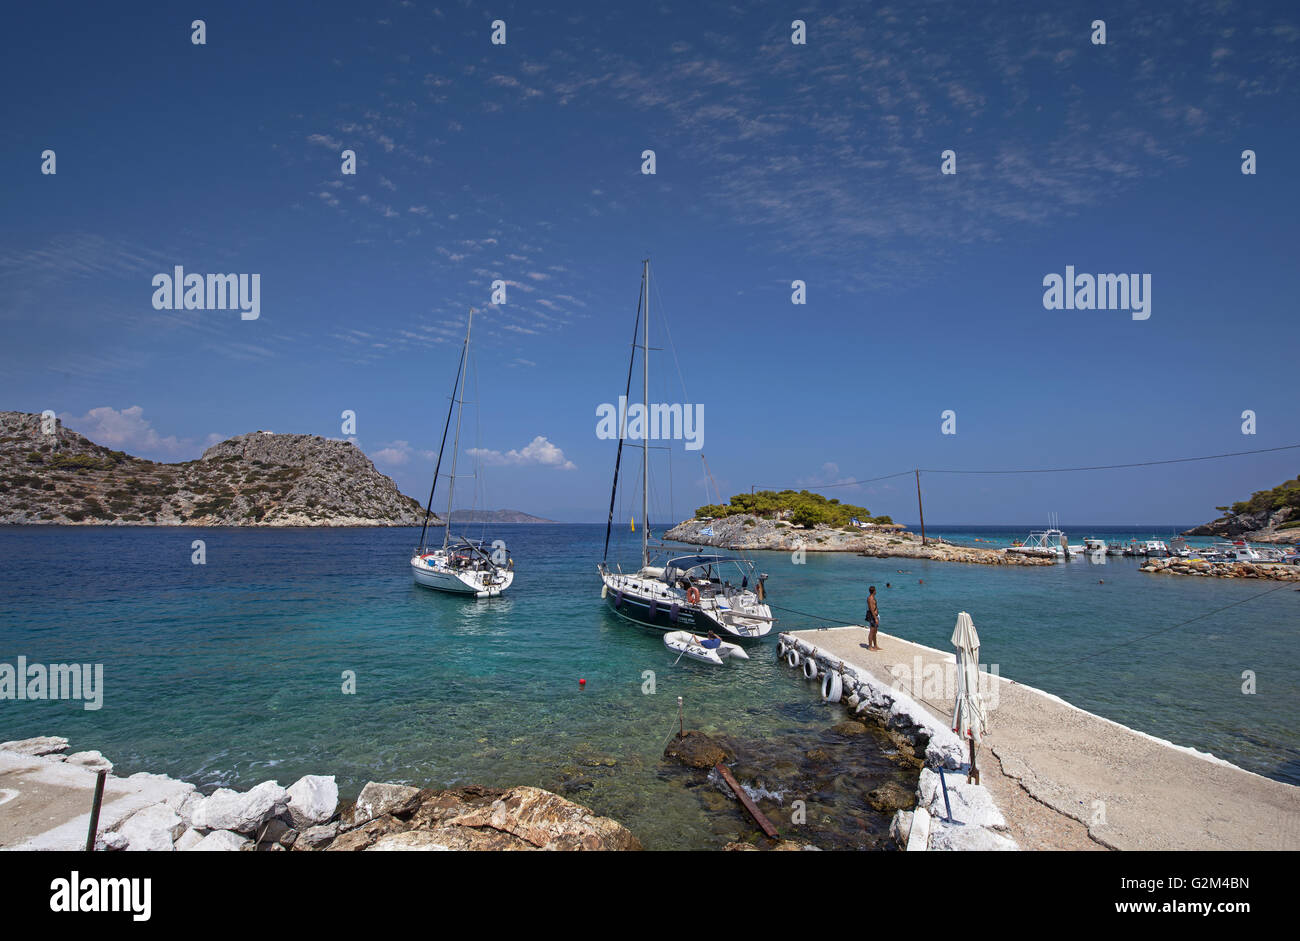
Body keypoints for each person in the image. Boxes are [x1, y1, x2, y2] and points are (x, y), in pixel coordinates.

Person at [865, 586, 880, 650]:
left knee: (875, 632)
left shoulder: (873, 597)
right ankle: (870, 647)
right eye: (875, 590)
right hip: (872, 616)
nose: (876, 591)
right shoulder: (870, 598)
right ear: (874, 591)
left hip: (875, 616)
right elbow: (871, 609)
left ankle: (875, 645)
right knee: (872, 631)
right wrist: (875, 618)